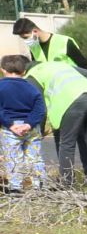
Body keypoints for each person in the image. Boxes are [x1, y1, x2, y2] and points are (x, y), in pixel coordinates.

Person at [20, 27, 87, 188]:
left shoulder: (33, 75)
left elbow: (40, 106)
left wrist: (38, 130)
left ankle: (67, 185)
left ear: (24, 70)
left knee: (66, 144)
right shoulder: (57, 65)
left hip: (73, 103)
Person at [0, 54, 44, 192]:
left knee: (13, 158)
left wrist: (10, 124)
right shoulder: (32, 88)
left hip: (10, 129)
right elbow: (40, 109)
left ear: (2, 69)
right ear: (24, 71)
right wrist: (29, 124)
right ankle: (39, 185)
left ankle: (15, 188)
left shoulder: (1, 86)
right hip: (31, 128)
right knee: (34, 157)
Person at [14, 16, 87, 78]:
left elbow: (84, 66)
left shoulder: (65, 42)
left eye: (26, 37)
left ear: (35, 31)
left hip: (73, 84)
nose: (26, 41)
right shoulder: (34, 47)